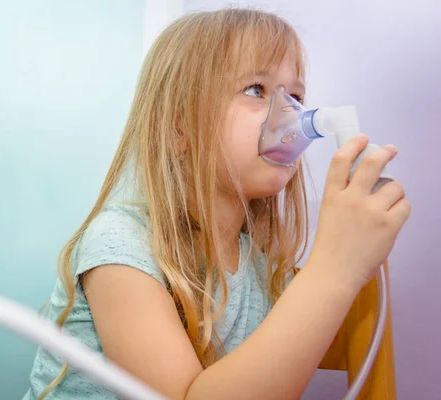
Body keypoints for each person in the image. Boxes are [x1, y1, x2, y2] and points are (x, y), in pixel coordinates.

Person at [22, 8, 410, 400]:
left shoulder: (262, 270)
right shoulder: (121, 247)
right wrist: (334, 269)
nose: (293, 115)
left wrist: (347, 264)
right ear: (179, 129)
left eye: (295, 95)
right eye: (256, 90)